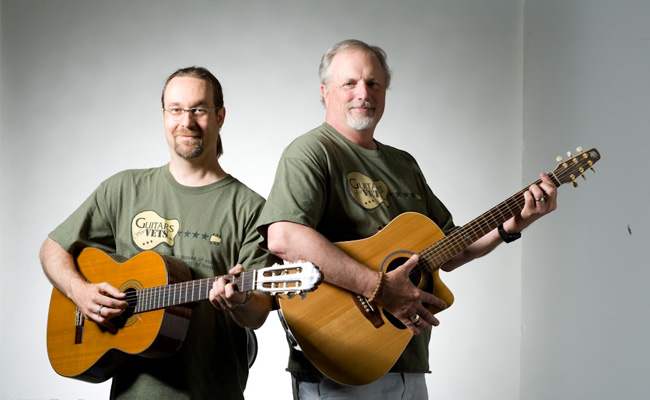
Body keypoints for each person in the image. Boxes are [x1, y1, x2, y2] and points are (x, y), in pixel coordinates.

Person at [257, 39, 557, 399]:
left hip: (404, 356)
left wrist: (513, 225)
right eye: (349, 83)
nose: (363, 93)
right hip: (341, 362)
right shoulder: (312, 151)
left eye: (374, 83)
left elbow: (452, 246)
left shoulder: (403, 164)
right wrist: (380, 288)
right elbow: (285, 237)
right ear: (325, 92)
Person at [40, 66, 276, 399]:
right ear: (164, 116)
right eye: (176, 109)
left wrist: (240, 300)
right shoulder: (123, 189)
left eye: (199, 109)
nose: (187, 121)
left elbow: (259, 311)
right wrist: (80, 292)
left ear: (220, 116)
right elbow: (53, 249)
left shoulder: (251, 208)